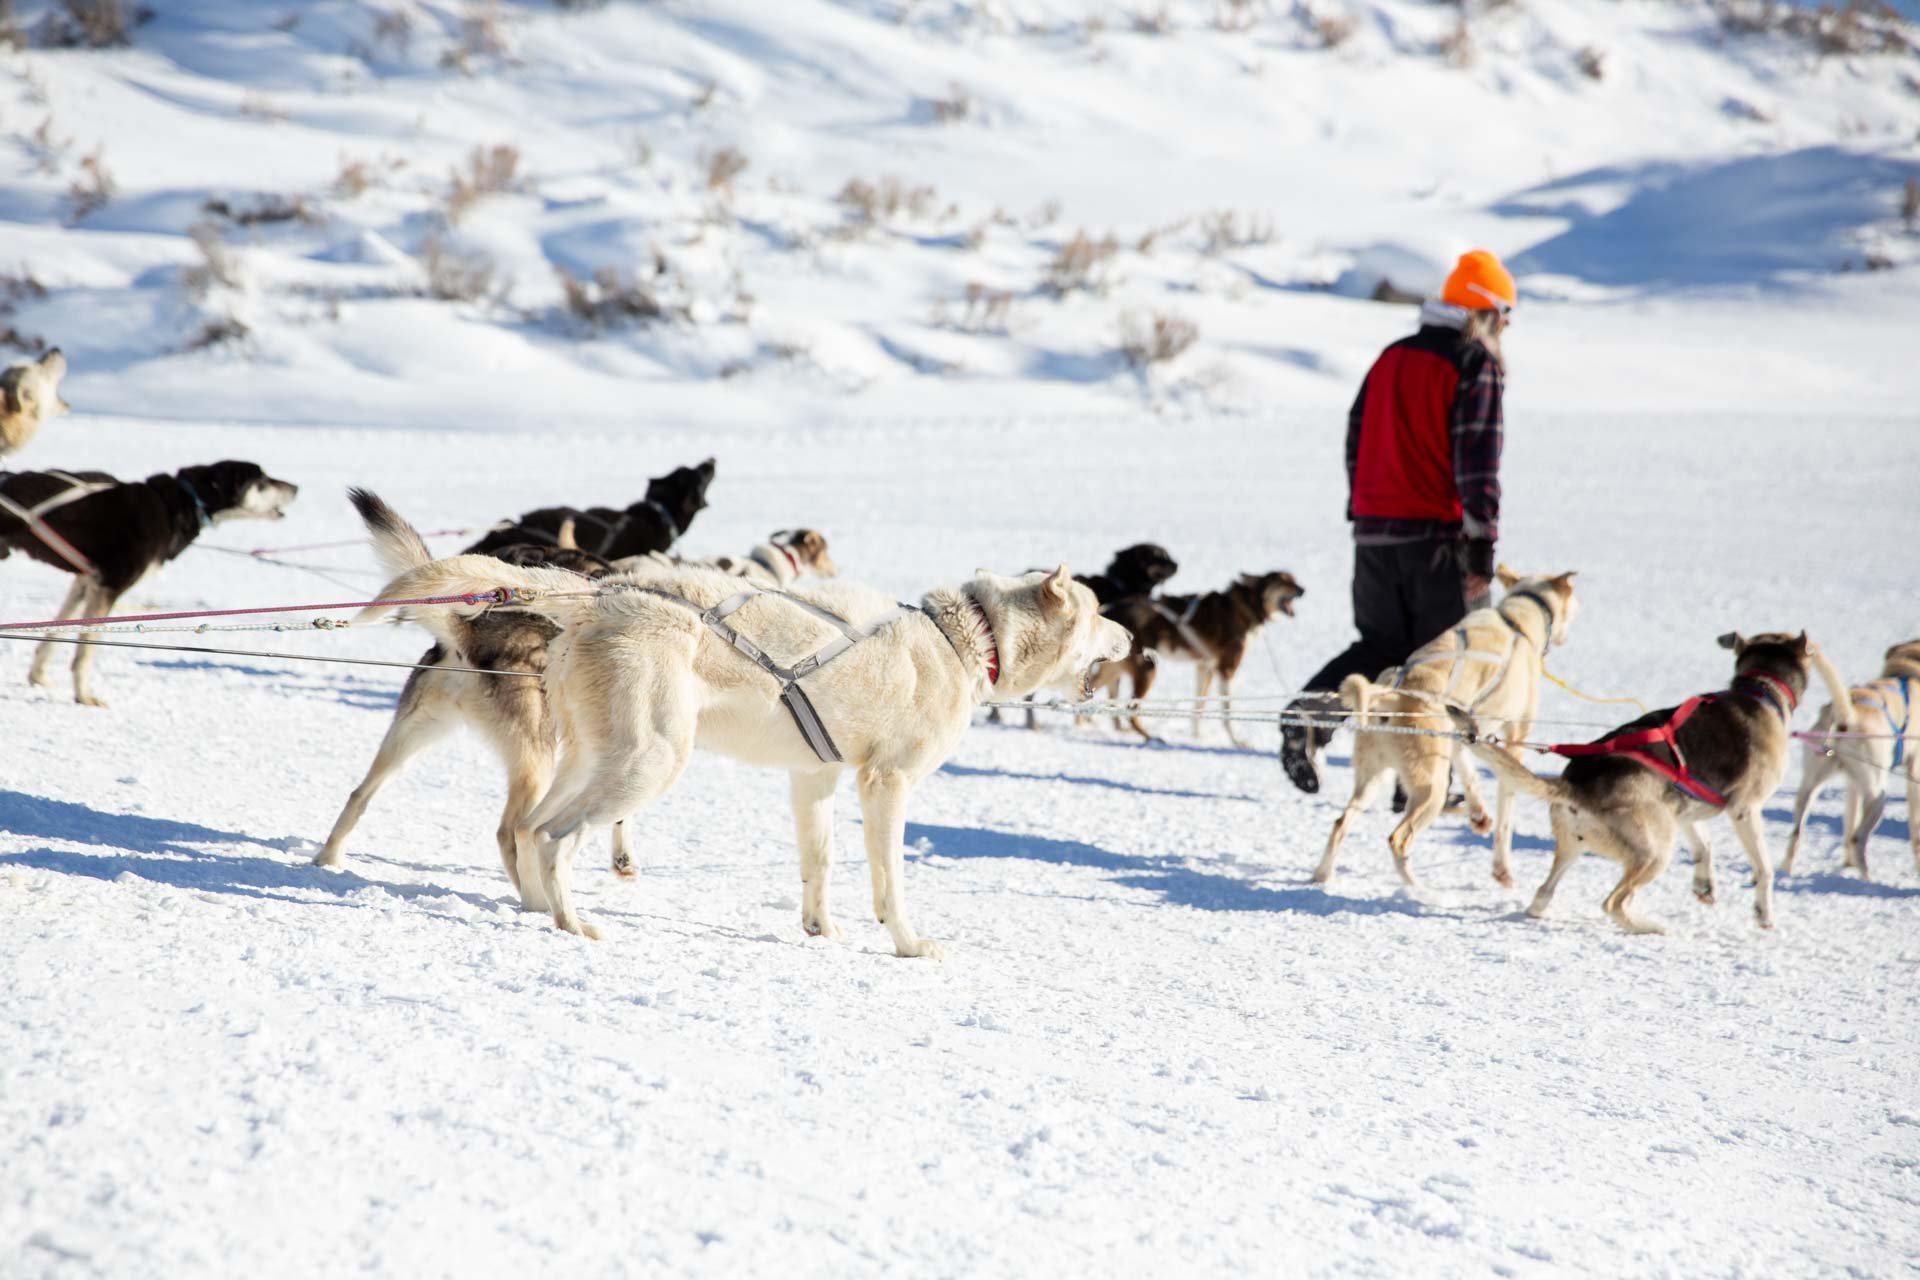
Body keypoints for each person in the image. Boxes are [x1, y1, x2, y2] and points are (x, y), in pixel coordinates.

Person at [1279, 249, 1514, 794]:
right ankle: (1424, 786)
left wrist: (1361, 512)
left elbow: (1355, 437)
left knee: (1380, 647)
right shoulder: (1473, 363)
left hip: (1375, 532)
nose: (1506, 327)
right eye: (1505, 314)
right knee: (1446, 661)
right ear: (1486, 312)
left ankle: (1309, 716)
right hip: (1437, 538)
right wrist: (1481, 553)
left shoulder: (1392, 356)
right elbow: (1477, 464)